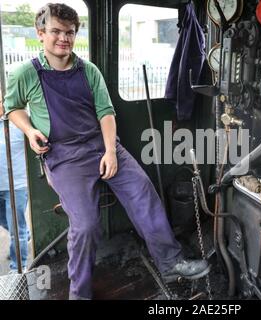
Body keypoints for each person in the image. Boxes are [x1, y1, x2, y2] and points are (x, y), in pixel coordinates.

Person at [4, 3, 209, 300]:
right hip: (63, 155)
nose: (64, 38)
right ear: (41, 34)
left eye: (70, 32)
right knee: (86, 225)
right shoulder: (26, 73)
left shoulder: (89, 71)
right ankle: (80, 293)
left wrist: (111, 151)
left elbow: (106, 113)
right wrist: (29, 129)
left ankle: (170, 262)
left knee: (142, 191)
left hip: (102, 145)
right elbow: (13, 108)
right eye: (56, 31)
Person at [0, 96, 29, 273]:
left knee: (16, 231)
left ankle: (18, 268)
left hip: (15, 186)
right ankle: (25, 235)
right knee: (9, 224)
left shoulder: (17, 123)